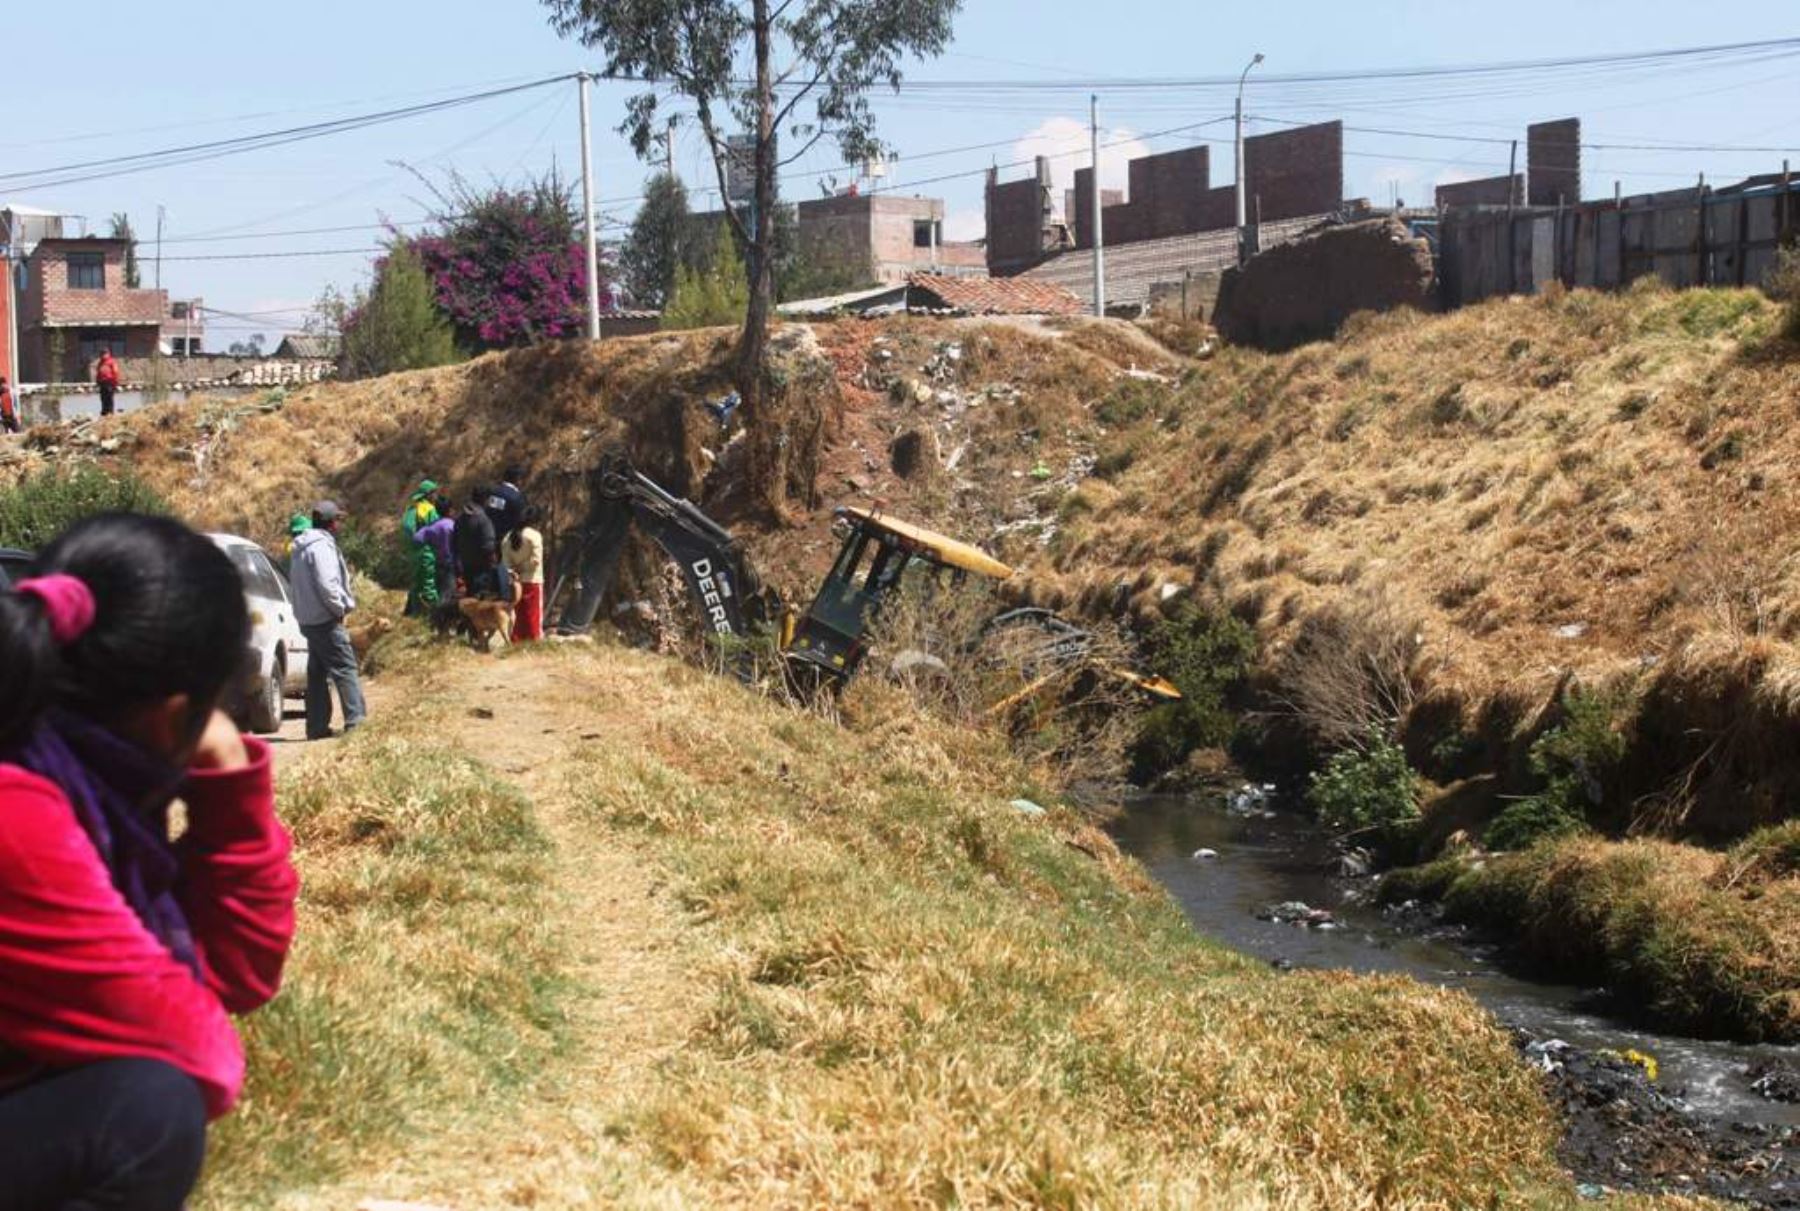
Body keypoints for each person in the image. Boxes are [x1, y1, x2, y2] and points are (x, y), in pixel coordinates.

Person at [0, 513, 299, 1211]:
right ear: (173, 715)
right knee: (147, 1115)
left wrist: (230, 777)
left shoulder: (67, 774)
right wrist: (228, 768)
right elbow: (199, 1048)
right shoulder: (19, 815)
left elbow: (235, 972)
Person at [289, 501, 366, 740]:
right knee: (346, 668)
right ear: (332, 523)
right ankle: (357, 724)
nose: (341, 525)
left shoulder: (300, 547)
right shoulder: (320, 547)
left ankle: (317, 727)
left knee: (317, 673)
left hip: (308, 619)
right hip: (325, 619)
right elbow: (327, 584)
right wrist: (339, 608)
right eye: (339, 520)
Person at [503, 505, 546, 642]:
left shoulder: (508, 537)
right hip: (532, 580)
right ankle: (534, 642)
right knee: (533, 615)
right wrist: (523, 567)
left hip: (515, 582)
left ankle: (517, 641)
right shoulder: (534, 536)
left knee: (519, 614)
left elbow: (506, 562)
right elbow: (536, 560)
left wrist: (514, 570)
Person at [454, 487, 505, 600]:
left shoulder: (461, 517)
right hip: (482, 568)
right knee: (481, 598)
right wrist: (494, 563)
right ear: (485, 500)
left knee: (470, 597)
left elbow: (455, 541)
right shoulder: (484, 520)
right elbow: (488, 546)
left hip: (466, 564)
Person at [400, 480, 440, 617]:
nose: (436, 496)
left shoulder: (412, 508)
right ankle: (433, 615)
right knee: (429, 583)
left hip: (413, 551)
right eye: (435, 493)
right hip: (426, 551)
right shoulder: (428, 509)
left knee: (416, 584)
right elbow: (436, 529)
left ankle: (415, 614)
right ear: (429, 494)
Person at [414, 513, 457, 606]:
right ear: (450, 510)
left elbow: (417, 538)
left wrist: (429, 550)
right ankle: (441, 616)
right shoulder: (452, 525)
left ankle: (435, 613)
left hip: (437, 562)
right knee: (448, 592)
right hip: (450, 563)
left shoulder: (433, 526)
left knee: (439, 590)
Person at [484, 467, 527, 543]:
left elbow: (492, 510)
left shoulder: (494, 492)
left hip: (489, 537)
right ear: (518, 479)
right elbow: (521, 520)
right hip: (508, 541)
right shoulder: (517, 497)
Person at [94, 350, 121, 418]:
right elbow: (98, 372)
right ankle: (104, 413)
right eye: (102, 354)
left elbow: (115, 372)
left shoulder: (112, 362)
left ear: (108, 354)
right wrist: (97, 381)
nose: (103, 355)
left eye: (104, 354)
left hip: (110, 382)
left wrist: (115, 382)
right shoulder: (100, 363)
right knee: (103, 398)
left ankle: (110, 413)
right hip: (102, 383)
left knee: (109, 398)